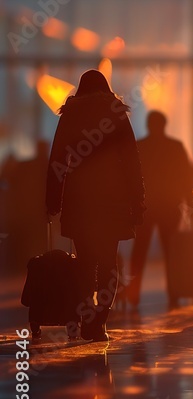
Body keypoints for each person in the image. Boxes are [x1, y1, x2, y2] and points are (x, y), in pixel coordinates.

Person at [46, 70, 145, 342]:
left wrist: (52, 199)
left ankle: (85, 313)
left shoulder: (70, 116)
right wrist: (138, 200)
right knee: (108, 263)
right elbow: (131, 161)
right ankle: (99, 321)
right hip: (113, 200)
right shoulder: (116, 114)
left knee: (86, 262)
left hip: (80, 199)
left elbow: (58, 159)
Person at [129, 111, 193, 308]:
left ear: (148, 125)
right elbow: (187, 175)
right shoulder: (175, 147)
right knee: (171, 252)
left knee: (139, 250)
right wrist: (190, 201)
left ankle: (133, 294)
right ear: (165, 125)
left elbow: (130, 176)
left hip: (145, 207)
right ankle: (173, 294)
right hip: (169, 206)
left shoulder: (140, 147)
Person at [2, 139, 49, 272]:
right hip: (35, 213)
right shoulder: (43, 165)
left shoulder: (29, 165)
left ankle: (29, 266)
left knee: (33, 241)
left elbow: (9, 179)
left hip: (31, 213)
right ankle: (34, 266)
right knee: (35, 241)